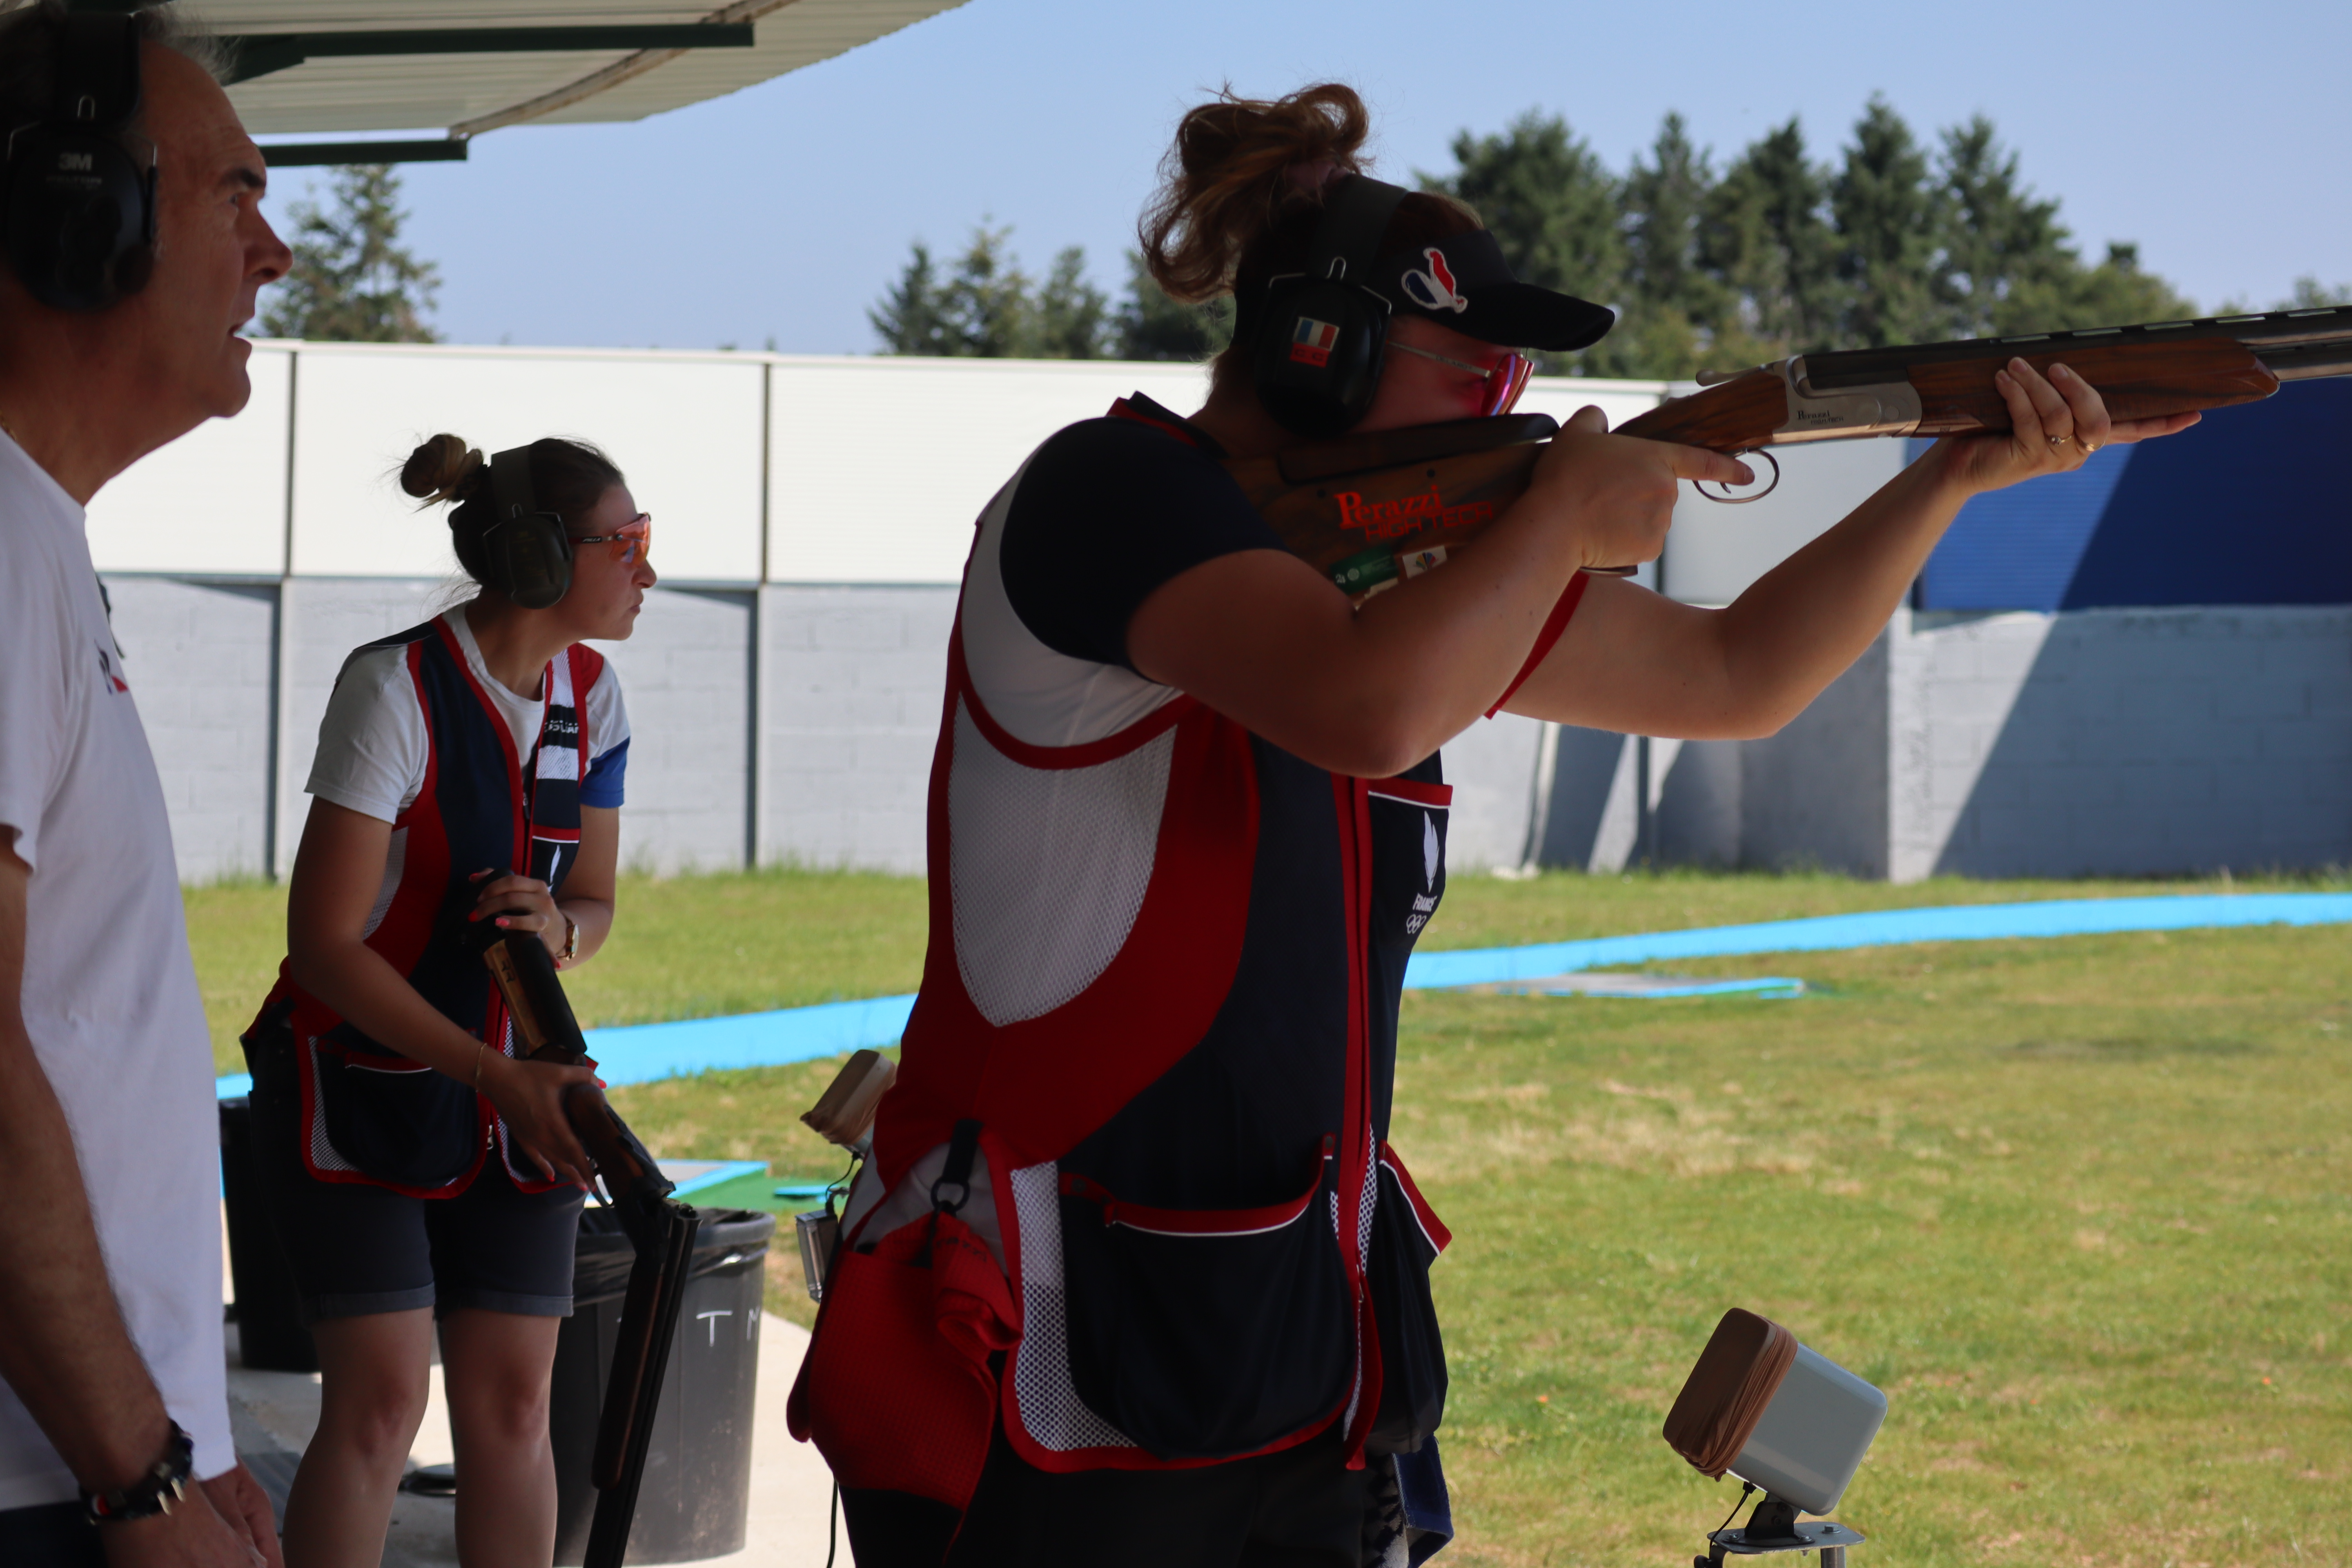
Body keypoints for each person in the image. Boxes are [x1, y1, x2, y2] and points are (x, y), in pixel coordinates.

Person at [790, 83, 2198, 1567]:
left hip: (1282, 1357)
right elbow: (1364, 710)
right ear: (1316, 354)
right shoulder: (1107, 492)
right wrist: (1556, 521)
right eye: (1476, 366)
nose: (1509, 401)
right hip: (1041, 1361)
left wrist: (1954, 473)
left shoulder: (1407, 584)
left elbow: (1739, 676)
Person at [239, 433, 652, 1567]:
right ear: (535, 555)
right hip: (358, 1081)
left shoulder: (595, 693)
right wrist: (496, 1077)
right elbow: (322, 949)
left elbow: (599, 900)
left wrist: (564, 929)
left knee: (518, 1409)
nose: (648, 570)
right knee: (378, 1408)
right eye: (627, 542)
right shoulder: (396, 688)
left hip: (515, 1094)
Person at [0, 5, 293, 1565]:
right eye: (234, 191)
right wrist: (140, 1482)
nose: (276, 251)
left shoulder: (34, 537)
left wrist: (178, 1432)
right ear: (77, 215)